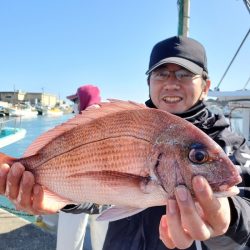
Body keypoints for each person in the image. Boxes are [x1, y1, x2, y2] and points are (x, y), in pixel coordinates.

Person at [0, 36, 250, 250]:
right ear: (149, 83)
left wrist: (229, 216)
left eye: (185, 74)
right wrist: (63, 198)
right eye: (161, 73)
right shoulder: (129, 121)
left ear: (206, 86)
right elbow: (101, 197)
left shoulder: (230, 143)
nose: (172, 82)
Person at [56, 84, 108, 250]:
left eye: (75, 101)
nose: (74, 105)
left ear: (81, 101)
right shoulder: (109, 120)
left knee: (69, 240)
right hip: (106, 192)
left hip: (73, 191)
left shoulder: (75, 123)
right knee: (103, 240)